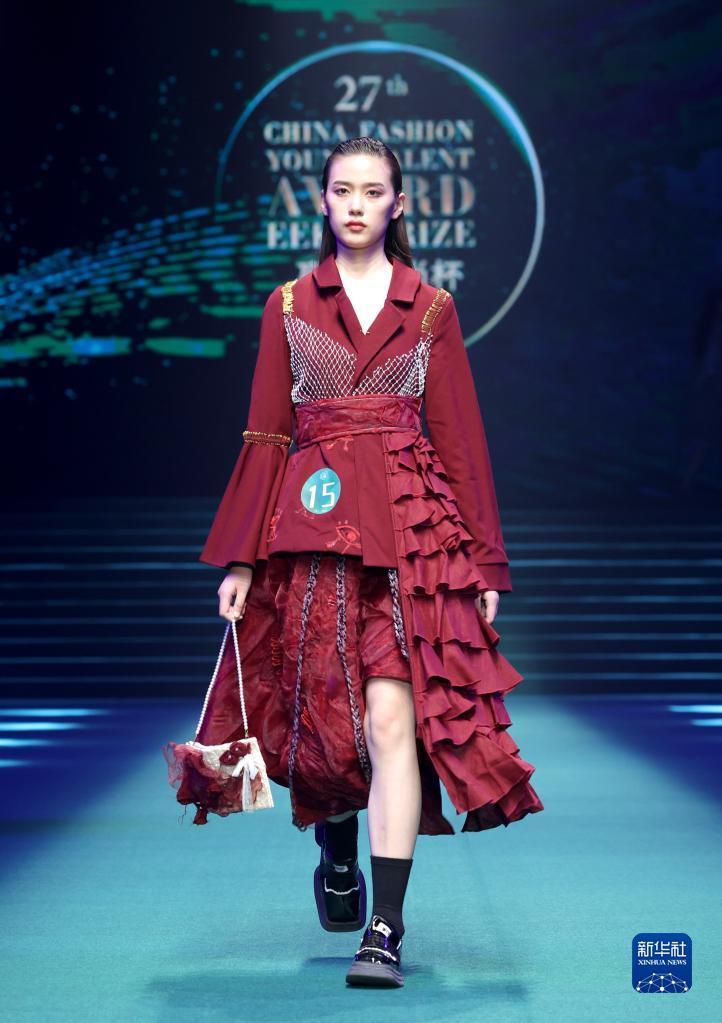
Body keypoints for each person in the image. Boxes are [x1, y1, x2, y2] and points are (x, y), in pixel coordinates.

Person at [169, 136, 544, 988]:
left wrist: (484, 564)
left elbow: (460, 442)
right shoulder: (289, 306)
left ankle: (385, 926)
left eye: (374, 192)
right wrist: (239, 559)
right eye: (343, 190)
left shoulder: (431, 308)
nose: (357, 205)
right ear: (323, 200)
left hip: (410, 538)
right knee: (322, 724)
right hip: (312, 536)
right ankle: (337, 852)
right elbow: (267, 433)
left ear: (398, 205)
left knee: (391, 722)